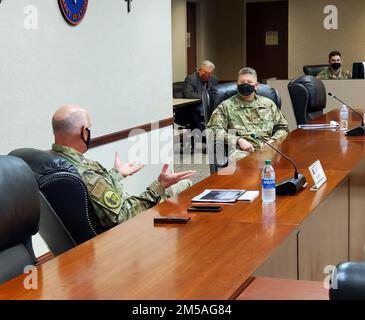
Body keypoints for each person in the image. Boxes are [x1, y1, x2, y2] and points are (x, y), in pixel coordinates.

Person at [51, 105, 195, 230]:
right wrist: (160, 185)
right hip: (126, 229)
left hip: (104, 224)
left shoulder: (53, 160)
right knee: (184, 184)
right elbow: (123, 216)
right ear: (84, 131)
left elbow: (93, 190)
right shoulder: (86, 172)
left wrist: (117, 173)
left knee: (181, 185)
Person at [207, 67, 289, 161]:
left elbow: (283, 128)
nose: (245, 85)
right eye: (242, 83)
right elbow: (212, 130)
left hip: (269, 149)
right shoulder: (226, 106)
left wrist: (272, 141)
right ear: (237, 85)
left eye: (249, 82)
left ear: (256, 85)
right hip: (242, 152)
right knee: (247, 164)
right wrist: (238, 140)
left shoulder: (268, 104)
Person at [182, 60, 219, 133]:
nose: (207, 75)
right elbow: (188, 94)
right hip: (195, 105)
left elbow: (216, 93)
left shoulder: (214, 79)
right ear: (199, 71)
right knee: (199, 111)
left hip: (209, 104)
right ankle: (202, 132)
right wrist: (206, 97)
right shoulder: (191, 79)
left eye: (210, 73)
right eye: (205, 72)